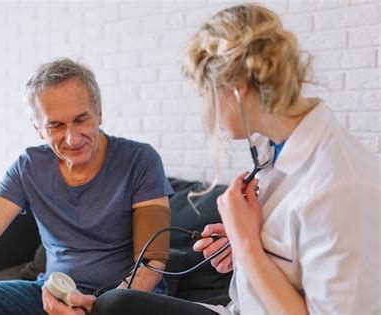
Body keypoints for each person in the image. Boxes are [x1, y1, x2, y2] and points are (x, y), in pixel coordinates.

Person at [84, 3, 380, 315]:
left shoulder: (342, 188)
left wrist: (247, 244)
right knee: (115, 305)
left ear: (237, 91)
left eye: (205, 96)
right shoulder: (279, 152)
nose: (206, 113)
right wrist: (243, 245)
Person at [0, 58, 174, 315]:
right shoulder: (28, 167)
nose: (72, 138)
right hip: (50, 298)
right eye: (56, 125)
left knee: (118, 306)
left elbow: (152, 261)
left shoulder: (140, 159)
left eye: (81, 120)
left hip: (125, 300)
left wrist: (100, 310)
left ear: (100, 113)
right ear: (38, 129)